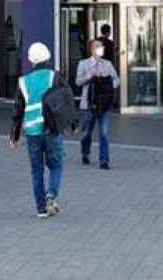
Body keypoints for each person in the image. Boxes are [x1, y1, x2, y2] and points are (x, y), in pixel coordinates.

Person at [10, 42, 67, 218]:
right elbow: (65, 100)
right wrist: (71, 122)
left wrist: (14, 134)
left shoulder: (23, 81)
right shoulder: (54, 76)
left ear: (31, 61)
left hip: (32, 130)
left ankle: (41, 209)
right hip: (51, 129)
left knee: (36, 170)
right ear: (48, 58)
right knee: (56, 165)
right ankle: (52, 193)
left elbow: (18, 110)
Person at [76, 39, 120, 169]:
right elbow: (78, 82)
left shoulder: (107, 64)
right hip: (88, 105)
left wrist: (107, 82)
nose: (100, 49)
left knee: (104, 133)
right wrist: (90, 75)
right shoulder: (83, 64)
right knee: (86, 133)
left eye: (101, 47)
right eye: (97, 47)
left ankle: (104, 161)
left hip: (103, 105)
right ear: (92, 49)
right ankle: (85, 152)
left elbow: (116, 80)